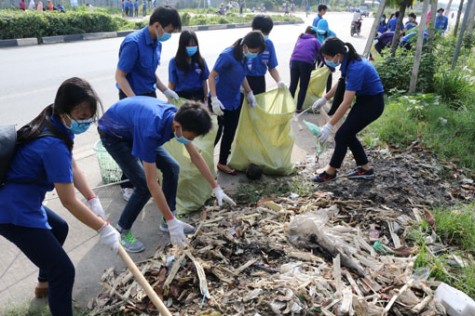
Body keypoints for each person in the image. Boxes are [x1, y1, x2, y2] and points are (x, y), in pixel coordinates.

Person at [0, 78, 120, 316]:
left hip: (19, 198)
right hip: (12, 210)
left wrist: (93, 198)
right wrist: (103, 228)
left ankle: (44, 285)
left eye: (89, 115)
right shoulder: (53, 143)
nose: (85, 120)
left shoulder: (54, 122)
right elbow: (68, 201)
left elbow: (72, 164)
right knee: (63, 271)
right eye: (80, 114)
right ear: (65, 110)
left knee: (59, 229)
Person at [98, 97, 235, 252]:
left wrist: (216, 187)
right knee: (143, 186)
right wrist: (173, 223)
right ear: (177, 126)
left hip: (134, 127)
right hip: (114, 134)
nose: (189, 141)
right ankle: (122, 230)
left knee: (172, 168)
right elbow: (152, 182)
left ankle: (167, 219)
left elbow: (195, 156)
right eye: (190, 138)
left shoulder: (181, 119)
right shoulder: (151, 132)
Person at [115, 5, 181, 201]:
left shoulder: (156, 43)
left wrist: (165, 89)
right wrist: (135, 102)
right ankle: (127, 183)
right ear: (157, 25)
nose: (168, 35)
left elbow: (150, 71)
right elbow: (120, 76)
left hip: (149, 95)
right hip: (131, 97)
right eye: (168, 31)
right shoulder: (133, 43)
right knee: (132, 142)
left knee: (149, 139)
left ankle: (148, 178)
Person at [311, 37, 384, 183]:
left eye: (327, 57)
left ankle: (331, 172)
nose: (326, 60)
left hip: (372, 104)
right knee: (347, 134)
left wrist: (329, 125)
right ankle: (365, 168)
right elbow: (341, 83)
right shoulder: (349, 61)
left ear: (337, 55)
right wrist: (324, 98)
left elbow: (346, 102)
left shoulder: (356, 67)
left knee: (342, 136)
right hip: (366, 101)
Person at [209, 31, 265, 175]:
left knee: (230, 132)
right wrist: (214, 100)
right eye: (254, 51)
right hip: (220, 101)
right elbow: (212, 76)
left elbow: (242, 75)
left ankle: (222, 163)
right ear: (245, 46)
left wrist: (249, 92)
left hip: (234, 100)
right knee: (216, 133)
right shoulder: (227, 55)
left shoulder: (244, 57)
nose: (255, 54)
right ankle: (204, 161)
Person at [246, 15, 286, 96]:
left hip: (260, 81)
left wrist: (279, 81)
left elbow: (272, 67)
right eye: (263, 33)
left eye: (267, 33)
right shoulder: (244, 43)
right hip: (244, 80)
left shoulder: (269, 44)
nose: (265, 35)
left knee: (259, 105)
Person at [168, 30, 210, 102]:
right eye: (188, 45)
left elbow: (204, 81)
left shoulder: (200, 61)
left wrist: (206, 97)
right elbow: (172, 83)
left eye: (194, 45)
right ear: (182, 45)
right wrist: (169, 100)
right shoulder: (174, 62)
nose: (191, 47)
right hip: (181, 97)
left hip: (198, 96)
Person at [288, 26, 322, 113]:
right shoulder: (315, 41)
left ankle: (287, 107)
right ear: (315, 34)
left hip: (293, 61)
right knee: (303, 87)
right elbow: (323, 54)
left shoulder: (300, 38)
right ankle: (298, 108)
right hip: (306, 63)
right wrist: (329, 66)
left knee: (292, 85)